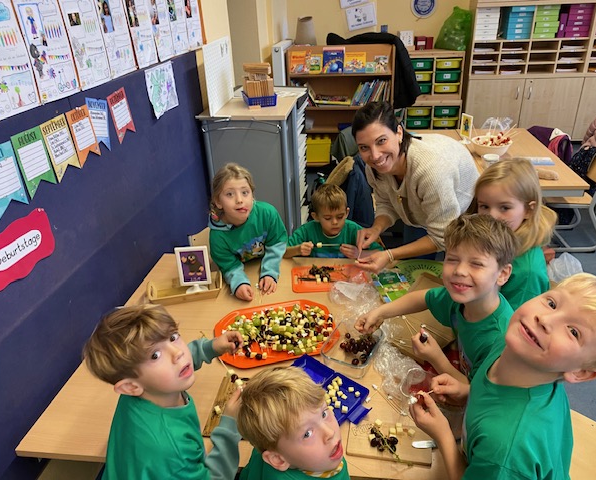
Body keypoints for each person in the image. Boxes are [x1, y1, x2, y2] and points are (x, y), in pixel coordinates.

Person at [410, 273, 596, 480]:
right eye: (552, 303)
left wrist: (443, 436)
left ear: (579, 372)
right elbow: (500, 396)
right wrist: (469, 392)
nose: (545, 320)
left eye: (573, 332)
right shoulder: (513, 346)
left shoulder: (505, 449)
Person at [82, 304, 243, 480]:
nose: (178, 353)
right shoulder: (172, 448)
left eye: (173, 337)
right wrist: (230, 426)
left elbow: (169, 369)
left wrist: (209, 348)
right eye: (155, 356)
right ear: (130, 387)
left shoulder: (140, 388)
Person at [356, 214, 518, 382]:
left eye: (476, 264)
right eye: (452, 259)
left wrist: (436, 358)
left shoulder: (500, 340)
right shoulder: (463, 298)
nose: (460, 271)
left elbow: (474, 391)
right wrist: (380, 312)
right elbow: (423, 298)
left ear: (503, 274)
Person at [352, 101, 479, 273]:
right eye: (364, 147)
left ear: (399, 133)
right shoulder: (374, 168)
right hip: (421, 212)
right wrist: (376, 228)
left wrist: (390, 255)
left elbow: (444, 236)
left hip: (462, 213)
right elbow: (386, 203)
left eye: (381, 141)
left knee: (454, 273)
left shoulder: (431, 172)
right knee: (413, 269)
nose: (375, 156)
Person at [468, 158, 557, 309]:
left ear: (528, 210)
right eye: (484, 206)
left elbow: (514, 319)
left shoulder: (527, 272)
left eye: (504, 208)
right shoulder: (495, 238)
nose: (491, 217)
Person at [237, 367, 349, 479]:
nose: (330, 432)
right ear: (278, 459)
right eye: (307, 434)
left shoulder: (272, 440)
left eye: (323, 414)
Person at [208, 163, 287, 302]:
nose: (239, 200)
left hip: (270, 265)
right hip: (246, 272)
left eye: (245, 192)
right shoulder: (217, 236)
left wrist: (270, 272)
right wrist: (239, 283)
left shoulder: (268, 214)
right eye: (230, 194)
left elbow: (277, 244)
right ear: (218, 202)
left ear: (252, 195)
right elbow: (229, 265)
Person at [284, 184, 382, 259]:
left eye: (340, 217)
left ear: (347, 213)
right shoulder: (307, 231)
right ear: (316, 217)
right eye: (327, 218)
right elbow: (282, 252)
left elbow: (380, 252)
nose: (335, 222)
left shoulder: (354, 230)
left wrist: (359, 254)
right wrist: (297, 250)